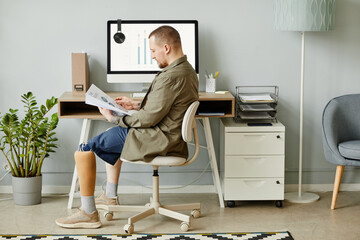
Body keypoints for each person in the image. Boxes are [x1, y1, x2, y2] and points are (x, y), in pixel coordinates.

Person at [55, 25, 199, 229]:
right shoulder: (186, 70)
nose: (152, 57)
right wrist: (135, 105)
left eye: (153, 51)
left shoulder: (170, 76)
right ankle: (110, 197)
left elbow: (148, 119)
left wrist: (114, 118)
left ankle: (88, 213)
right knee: (111, 138)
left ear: (166, 48)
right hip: (169, 136)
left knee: (85, 148)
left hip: (158, 138)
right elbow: (167, 105)